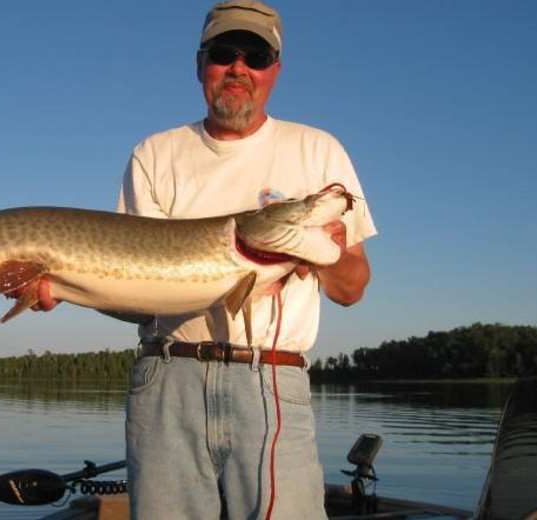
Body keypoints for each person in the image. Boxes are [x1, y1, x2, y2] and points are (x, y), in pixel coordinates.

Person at [32, 1, 376, 518]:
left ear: (274, 71)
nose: (239, 67)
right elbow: (136, 295)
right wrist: (61, 284)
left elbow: (353, 286)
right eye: (224, 53)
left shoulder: (318, 150)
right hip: (168, 379)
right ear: (200, 65)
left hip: (272, 381)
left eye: (256, 55)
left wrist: (322, 252)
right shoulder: (156, 153)